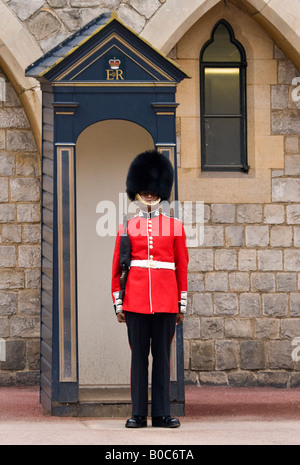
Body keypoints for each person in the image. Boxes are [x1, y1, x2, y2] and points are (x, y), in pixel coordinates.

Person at [111, 150, 189, 428]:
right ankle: (137, 414)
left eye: (153, 190)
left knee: (162, 360)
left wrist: (181, 304)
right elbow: (118, 269)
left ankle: (161, 414)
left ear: (160, 192)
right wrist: (119, 303)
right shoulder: (127, 227)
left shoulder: (175, 227)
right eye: (144, 190)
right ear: (137, 192)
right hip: (135, 301)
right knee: (138, 359)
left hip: (167, 302)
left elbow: (182, 267)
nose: (149, 194)